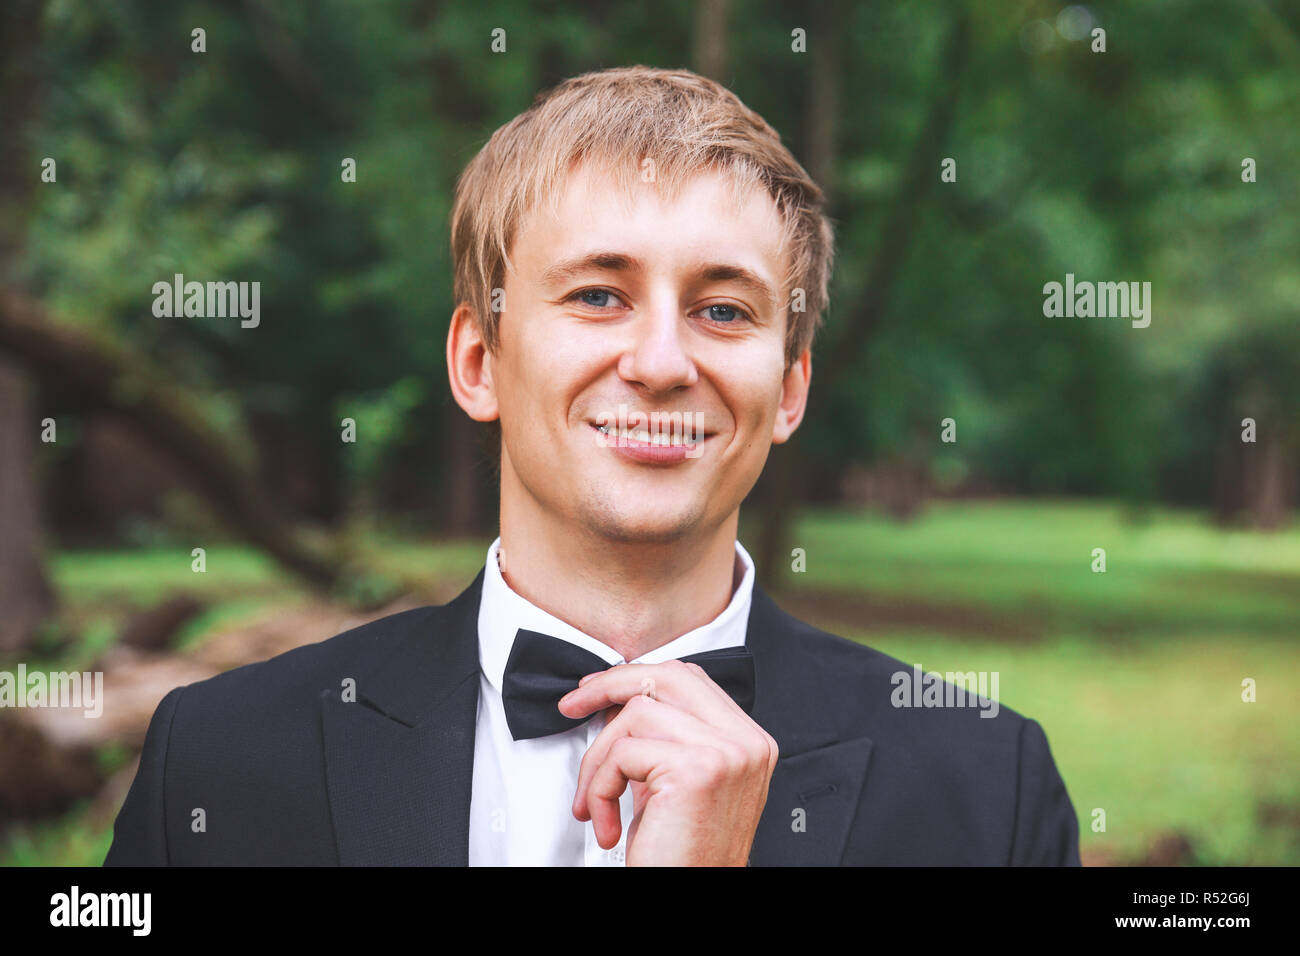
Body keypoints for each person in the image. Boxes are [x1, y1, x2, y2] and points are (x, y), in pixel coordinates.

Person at [105, 65, 1080, 867]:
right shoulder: (220, 758)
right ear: (478, 361)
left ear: (788, 390)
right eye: (598, 296)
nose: (660, 362)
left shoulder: (988, 787)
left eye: (724, 309)